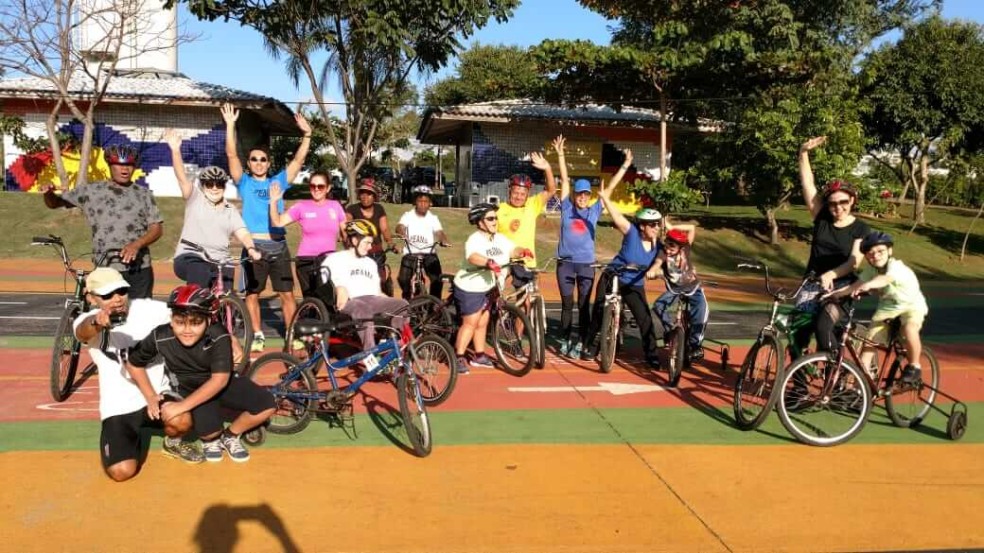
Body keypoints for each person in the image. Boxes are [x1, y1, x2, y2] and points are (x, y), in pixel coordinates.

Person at [73, 268, 199, 481]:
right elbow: (82, 331)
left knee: (181, 421)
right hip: (119, 406)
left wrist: (227, 339)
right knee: (121, 472)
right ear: (92, 298)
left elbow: (190, 314)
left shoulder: (149, 309)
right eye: (107, 295)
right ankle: (130, 438)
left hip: (158, 394)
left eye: (122, 291)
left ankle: (172, 443)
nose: (117, 299)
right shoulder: (88, 320)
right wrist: (97, 322)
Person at [126, 284, 277, 463]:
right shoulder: (160, 336)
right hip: (189, 388)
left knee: (268, 404)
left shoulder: (218, 335)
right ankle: (211, 435)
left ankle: (230, 435)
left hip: (219, 382)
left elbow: (219, 381)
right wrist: (150, 396)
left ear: (208, 320)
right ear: (171, 320)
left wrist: (182, 407)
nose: (187, 330)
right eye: (180, 322)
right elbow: (133, 364)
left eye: (196, 323)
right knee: (209, 433)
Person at [222, 102, 312, 352]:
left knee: (287, 294)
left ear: (268, 162)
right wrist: (230, 126)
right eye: (254, 159)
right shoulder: (244, 182)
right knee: (252, 295)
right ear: (249, 163)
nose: (259, 163)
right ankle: (258, 335)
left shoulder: (278, 181)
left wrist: (307, 135)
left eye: (263, 159)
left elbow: (298, 159)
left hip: (278, 245)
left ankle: (291, 333)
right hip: (254, 247)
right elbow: (231, 156)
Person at [42, 145, 163, 299]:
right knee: (107, 310)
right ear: (110, 165)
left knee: (139, 311)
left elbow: (157, 228)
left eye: (129, 165)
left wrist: (137, 245)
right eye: (119, 165)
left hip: (139, 269)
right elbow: (55, 203)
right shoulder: (91, 191)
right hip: (106, 267)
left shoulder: (143, 194)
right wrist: (48, 193)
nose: (125, 169)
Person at [583, 150, 662, 368]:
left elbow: (662, 260)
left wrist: (656, 269)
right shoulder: (632, 232)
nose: (656, 228)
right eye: (652, 225)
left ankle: (652, 354)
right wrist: (605, 198)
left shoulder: (659, 245)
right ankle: (590, 346)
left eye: (658, 224)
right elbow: (615, 213)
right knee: (600, 310)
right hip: (613, 275)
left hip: (634, 284)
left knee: (644, 318)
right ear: (642, 226)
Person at [824, 231, 928, 383]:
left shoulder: (896, 266)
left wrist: (869, 285)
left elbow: (885, 279)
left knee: (909, 329)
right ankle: (859, 388)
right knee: (868, 345)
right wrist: (833, 295)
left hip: (911, 307)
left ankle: (914, 366)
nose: (876, 256)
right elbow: (854, 286)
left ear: (890, 251)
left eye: (880, 251)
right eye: (870, 253)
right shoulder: (871, 270)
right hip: (887, 311)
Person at [165, 129, 263, 291]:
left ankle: (226, 306)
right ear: (203, 186)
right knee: (201, 273)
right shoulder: (195, 198)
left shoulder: (230, 209)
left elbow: (243, 232)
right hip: (191, 256)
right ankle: (194, 305)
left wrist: (251, 249)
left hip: (220, 260)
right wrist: (175, 151)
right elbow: (182, 177)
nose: (215, 188)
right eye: (210, 184)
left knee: (227, 294)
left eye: (219, 184)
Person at [798, 136, 870, 352]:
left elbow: (854, 261)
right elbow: (807, 183)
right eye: (832, 203)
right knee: (798, 335)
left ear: (852, 200)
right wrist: (803, 152)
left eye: (843, 202)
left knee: (824, 328)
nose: (838, 207)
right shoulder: (822, 218)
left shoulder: (860, 228)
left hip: (841, 286)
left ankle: (833, 373)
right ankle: (801, 376)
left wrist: (831, 274)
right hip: (812, 283)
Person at [452, 203, 532, 372]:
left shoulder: (499, 239)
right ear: (480, 222)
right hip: (471, 286)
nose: (495, 221)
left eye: (496, 218)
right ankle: (458, 356)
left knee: (483, 322)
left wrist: (522, 251)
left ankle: (479, 355)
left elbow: (512, 249)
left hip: (488, 287)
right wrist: (488, 262)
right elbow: (472, 256)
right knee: (471, 323)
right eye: (490, 218)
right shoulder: (475, 239)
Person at [320, 220, 409, 349]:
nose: (370, 247)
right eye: (367, 243)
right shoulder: (334, 259)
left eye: (371, 243)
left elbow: (378, 292)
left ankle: (398, 344)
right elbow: (324, 286)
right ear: (355, 240)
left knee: (402, 304)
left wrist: (389, 300)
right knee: (362, 308)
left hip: (373, 300)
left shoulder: (370, 263)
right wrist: (339, 289)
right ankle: (370, 352)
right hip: (349, 301)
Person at [552, 135, 602, 359]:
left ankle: (582, 342)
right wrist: (561, 154)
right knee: (567, 305)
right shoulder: (566, 208)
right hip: (565, 264)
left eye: (586, 194)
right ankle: (565, 340)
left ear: (590, 196)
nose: (582, 197)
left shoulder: (594, 211)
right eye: (579, 193)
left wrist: (624, 166)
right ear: (574, 195)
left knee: (583, 306)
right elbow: (564, 179)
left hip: (586, 265)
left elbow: (608, 192)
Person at [268, 172, 346, 298]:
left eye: (320, 186)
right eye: (312, 186)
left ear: (328, 188)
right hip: (306, 261)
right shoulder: (301, 206)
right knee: (312, 301)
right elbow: (277, 222)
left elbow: (346, 232)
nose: (316, 189)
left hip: (329, 261)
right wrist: (273, 202)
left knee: (329, 299)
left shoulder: (336, 206)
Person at [497, 152, 557, 290]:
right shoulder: (499, 209)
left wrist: (547, 168)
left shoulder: (532, 205)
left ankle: (524, 306)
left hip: (525, 260)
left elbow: (551, 190)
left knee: (526, 296)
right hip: (503, 259)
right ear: (509, 191)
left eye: (522, 194)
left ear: (527, 194)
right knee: (493, 291)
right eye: (515, 193)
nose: (518, 197)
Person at [649, 225, 709, 363]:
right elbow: (657, 263)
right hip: (674, 289)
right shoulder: (663, 253)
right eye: (667, 245)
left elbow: (692, 228)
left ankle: (695, 345)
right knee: (658, 306)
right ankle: (671, 330)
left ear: (680, 247)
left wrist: (673, 227)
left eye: (672, 247)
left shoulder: (686, 249)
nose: (668, 250)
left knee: (702, 311)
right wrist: (652, 270)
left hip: (693, 287)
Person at [395, 185, 451, 300]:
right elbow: (399, 227)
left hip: (429, 253)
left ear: (430, 203)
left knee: (437, 279)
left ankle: (434, 304)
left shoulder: (433, 218)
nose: (423, 204)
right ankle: (407, 297)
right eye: (420, 201)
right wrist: (402, 233)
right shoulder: (408, 215)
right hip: (411, 252)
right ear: (415, 202)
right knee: (403, 279)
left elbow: (439, 232)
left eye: (426, 201)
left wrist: (443, 240)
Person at [345, 178, 396, 296]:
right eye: (362, 193)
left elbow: (384, 229)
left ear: (374, 196)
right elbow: (347, 225)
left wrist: (390, 242)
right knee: (359, 281)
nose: (365, 197)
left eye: (369, 194)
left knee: (380, 281)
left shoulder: (379, 209)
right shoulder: (352, 209)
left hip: (376, 252)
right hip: (359, 252)